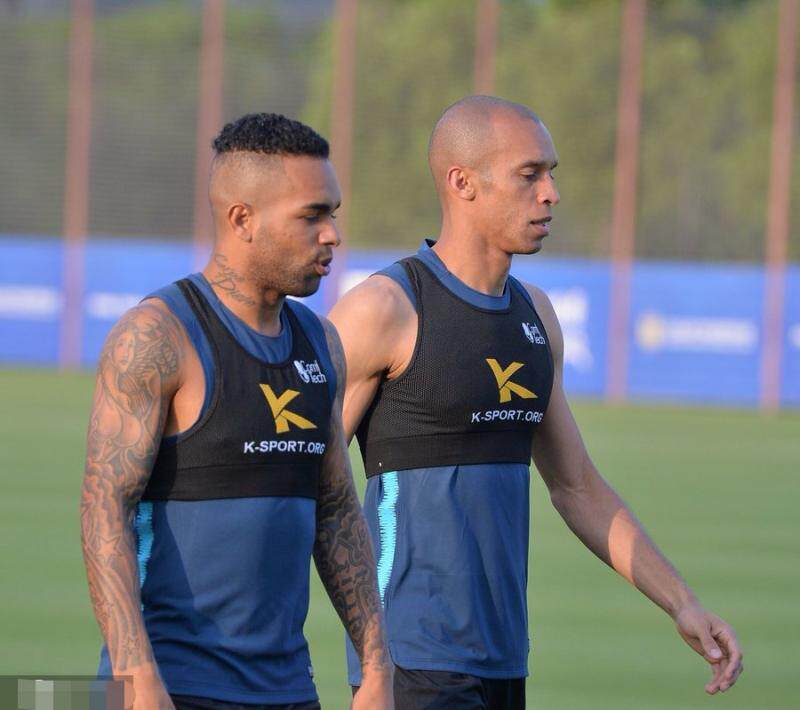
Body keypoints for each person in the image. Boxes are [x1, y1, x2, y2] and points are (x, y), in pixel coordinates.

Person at [328, 96, 744, 710]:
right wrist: (368, 664)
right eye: (530, 175)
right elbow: (303, 479)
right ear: (463, 183)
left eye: (551, 173)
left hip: (503, 660)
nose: (551, 193)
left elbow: (576, 486)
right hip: (409, 663)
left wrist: (682, 603)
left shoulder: (535, 316)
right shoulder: (385, 308)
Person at [80, 113, 393, 710]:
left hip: (288, 690)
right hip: (171, 687)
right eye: (312, 215)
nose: (332, 234)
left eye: (333, 214)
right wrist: (135, 675)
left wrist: (378, 665)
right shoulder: (156, 336)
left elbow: (335, 508)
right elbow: (103, 509)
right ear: (242, 219)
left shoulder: (320, 343)